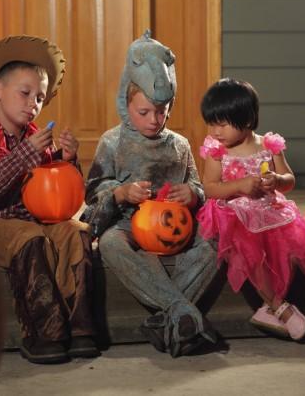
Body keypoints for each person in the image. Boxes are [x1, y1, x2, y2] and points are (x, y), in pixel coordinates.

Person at [0, 35, 99, 364]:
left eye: (40, 97)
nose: (33, 103)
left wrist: (67, 159)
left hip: (40, 221)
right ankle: (43, 330)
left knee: (76, 231)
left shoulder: (39, 142)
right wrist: (27, 153)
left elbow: (62, 194)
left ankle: (80, 328)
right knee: (29, 236)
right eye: (25, 93)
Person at [84, 32, 218, 357]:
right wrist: (121, 193)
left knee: (217, 240)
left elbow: (198, 186)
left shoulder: (180, 146)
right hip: (129, 223)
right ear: (125, 103)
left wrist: (194, 194)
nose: (153, 121)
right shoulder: (112, 142)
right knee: (112, 244)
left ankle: (167, 318)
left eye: (161, 112)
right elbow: (93, 197)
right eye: (143, 112)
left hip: (175, 224)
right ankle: (180, 309)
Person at [197, 78, 305, 341]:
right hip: (232, 211)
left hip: (267, 209)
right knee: (247, 250)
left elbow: (289, 180)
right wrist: (240, 185)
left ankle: (267, 309)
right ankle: (280, 307)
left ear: (247, 119)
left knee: (293, 247)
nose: (215, 130)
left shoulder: (268, 145)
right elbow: (209, 187)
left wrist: (277, 181)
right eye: (211, 123)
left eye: (222, 123)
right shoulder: (216, 151)